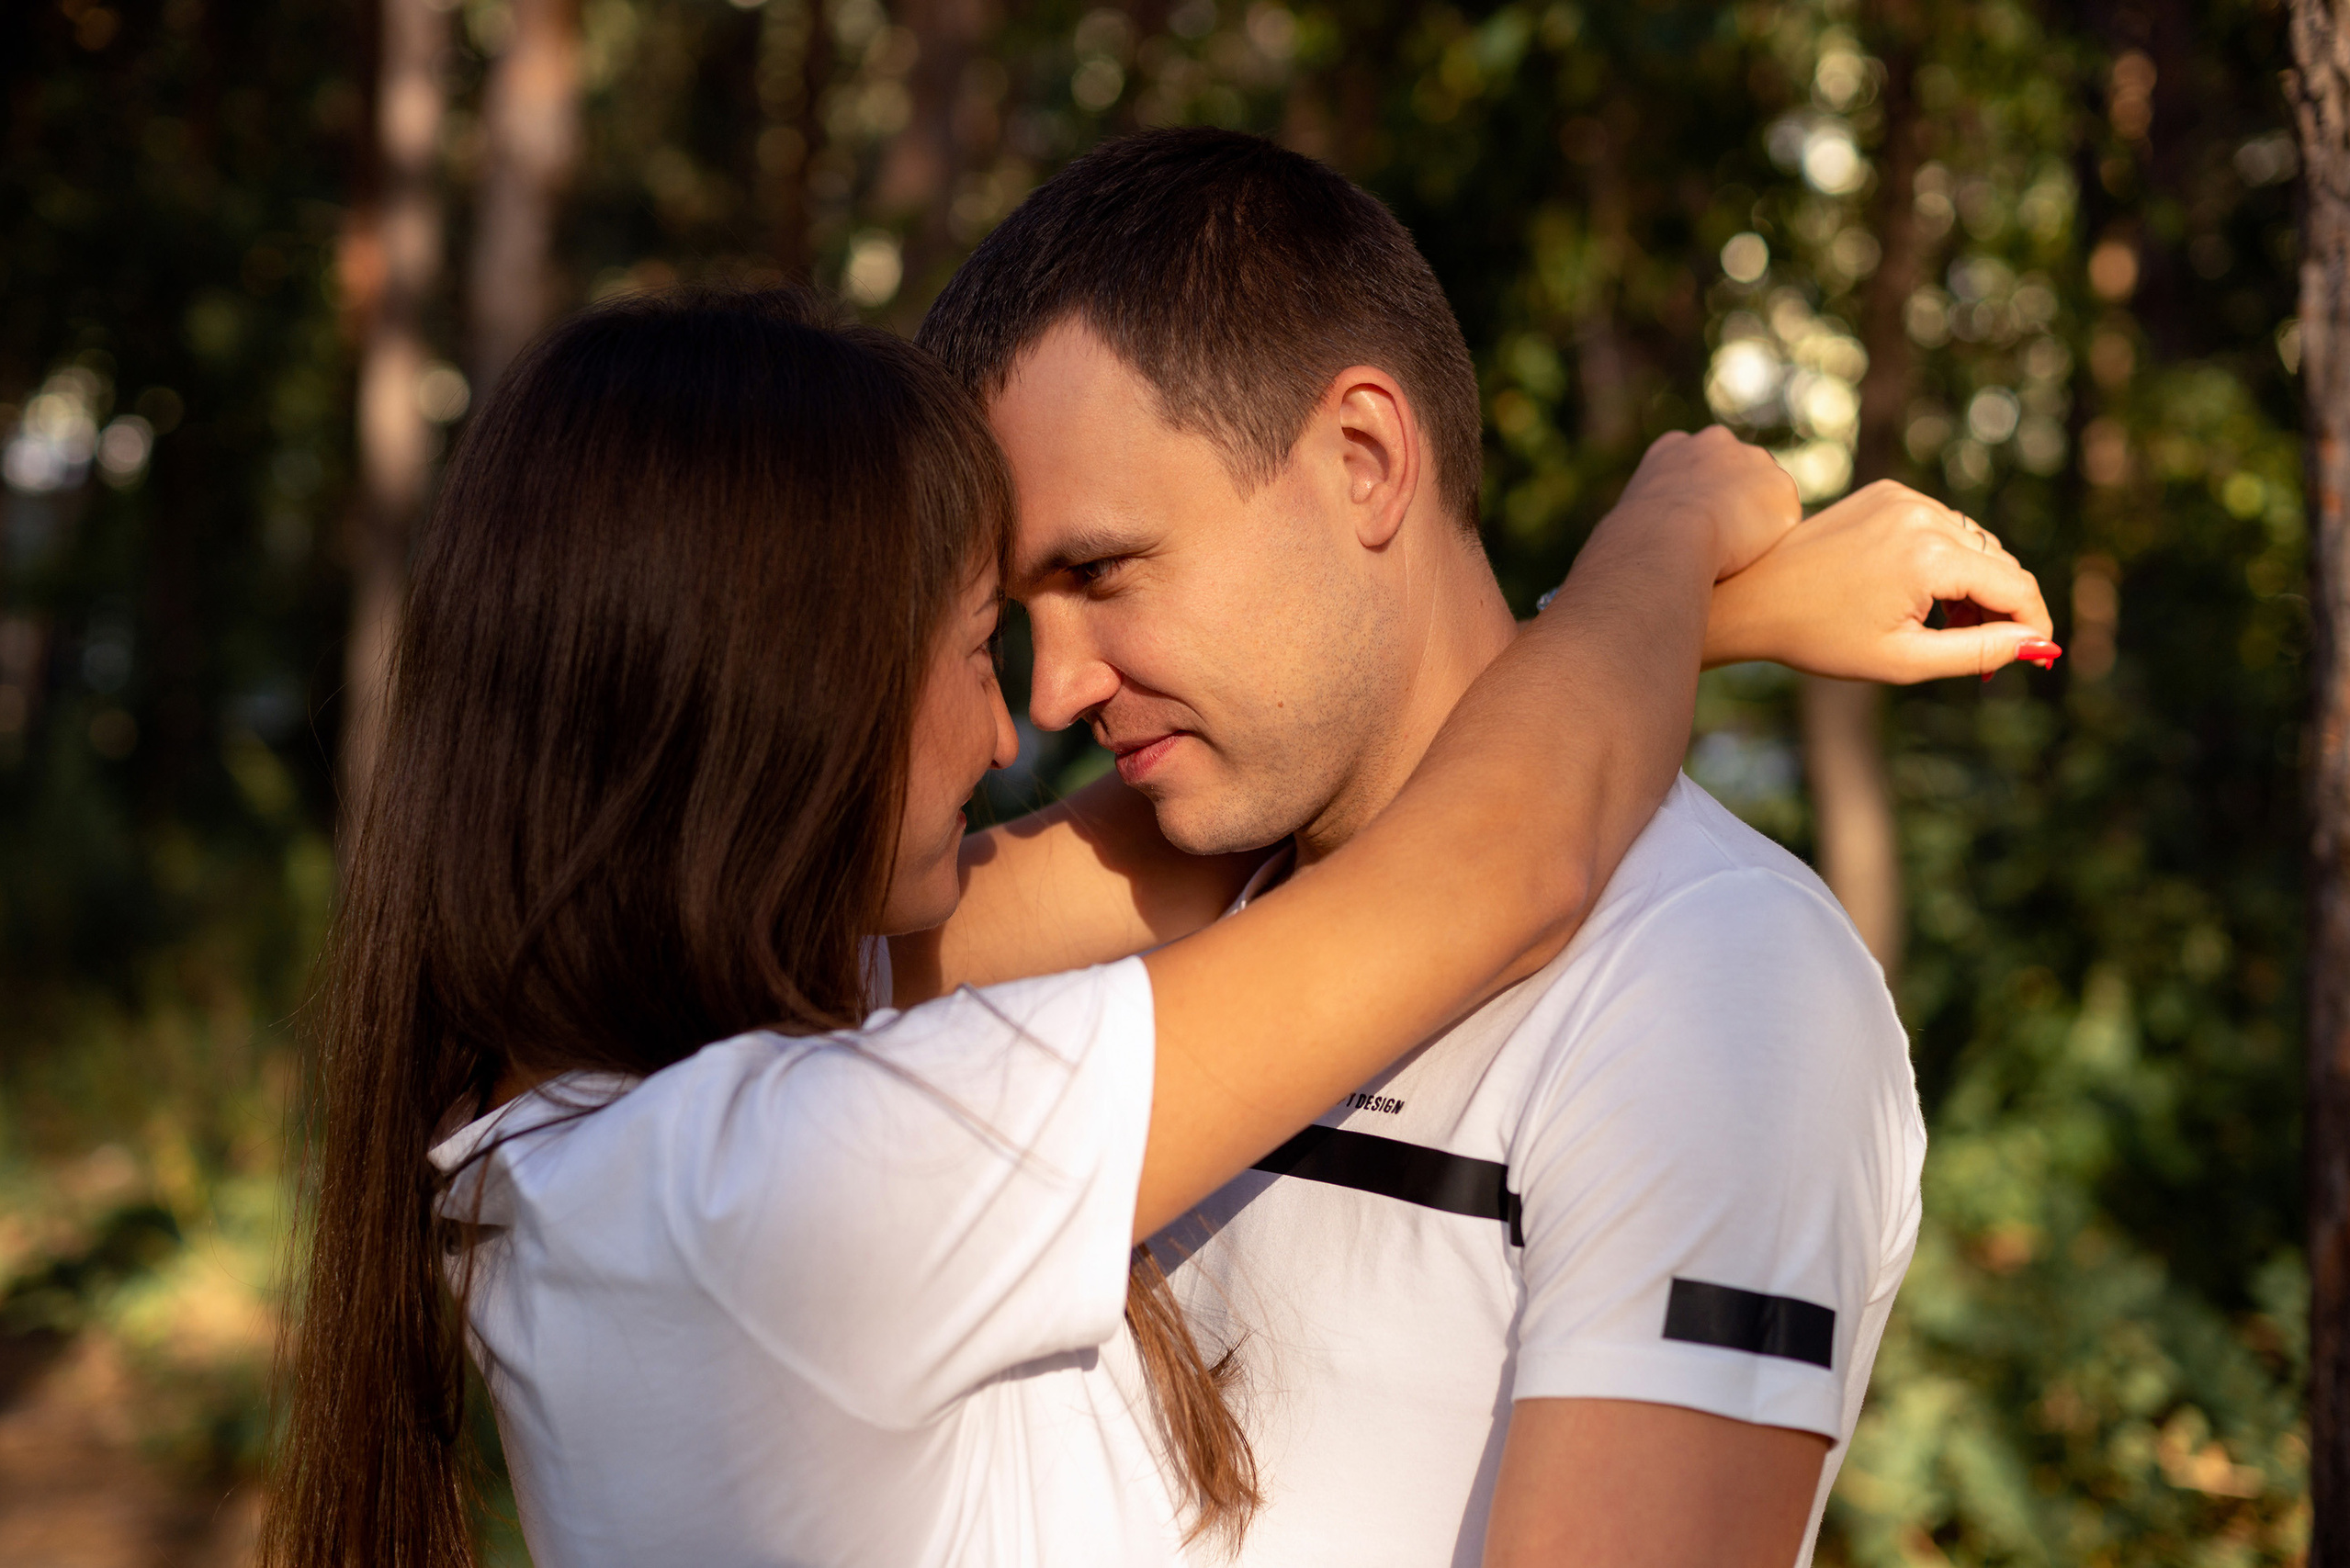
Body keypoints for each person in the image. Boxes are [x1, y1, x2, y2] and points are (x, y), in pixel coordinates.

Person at [258, 287, 1866, 1568]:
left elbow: (1190, 825)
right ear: (777, 712)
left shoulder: (593, 1133)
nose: (1020, 726)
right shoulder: (778, 1193)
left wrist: (1658, 639)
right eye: (975, 644)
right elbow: (1494, 864)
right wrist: (1672, 529)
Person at [908, 129, 2059, 1567]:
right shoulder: (1156, 896)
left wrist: (1660, 604)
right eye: (1019, 615)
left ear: (1365, 459)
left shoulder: (1719, 986)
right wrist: (1674, 594)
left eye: (1098, 572)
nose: (1052, 691)